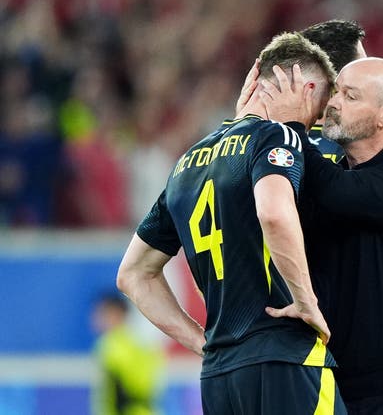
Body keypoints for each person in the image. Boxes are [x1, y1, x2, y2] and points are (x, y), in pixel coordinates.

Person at [116, 32, 347, 415]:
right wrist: (307, 302)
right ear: (306, 88)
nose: (317, 124)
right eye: (321, 109)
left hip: (220, 374)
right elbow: (272, 212)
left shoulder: (188, 162)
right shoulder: (278, 136)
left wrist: (203, 342)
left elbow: (133, 274)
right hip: (283, 356)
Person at [259, 57, 383, 414]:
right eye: (335, 92)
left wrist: (289, 126)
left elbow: (337, 191)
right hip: (337, 388)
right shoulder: (326, 178)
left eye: (350, 97)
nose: (333, 102)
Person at [237, 19, 367, 163]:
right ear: (338, 85)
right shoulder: (359, 152)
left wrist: (242, 125)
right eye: (363, 70)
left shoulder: (250, 143)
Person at [91, 293, 165, 415]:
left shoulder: (110, 345)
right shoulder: (141, 344)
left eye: (102, 312)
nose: (96, 317)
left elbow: (115, 394)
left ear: (116, 313)